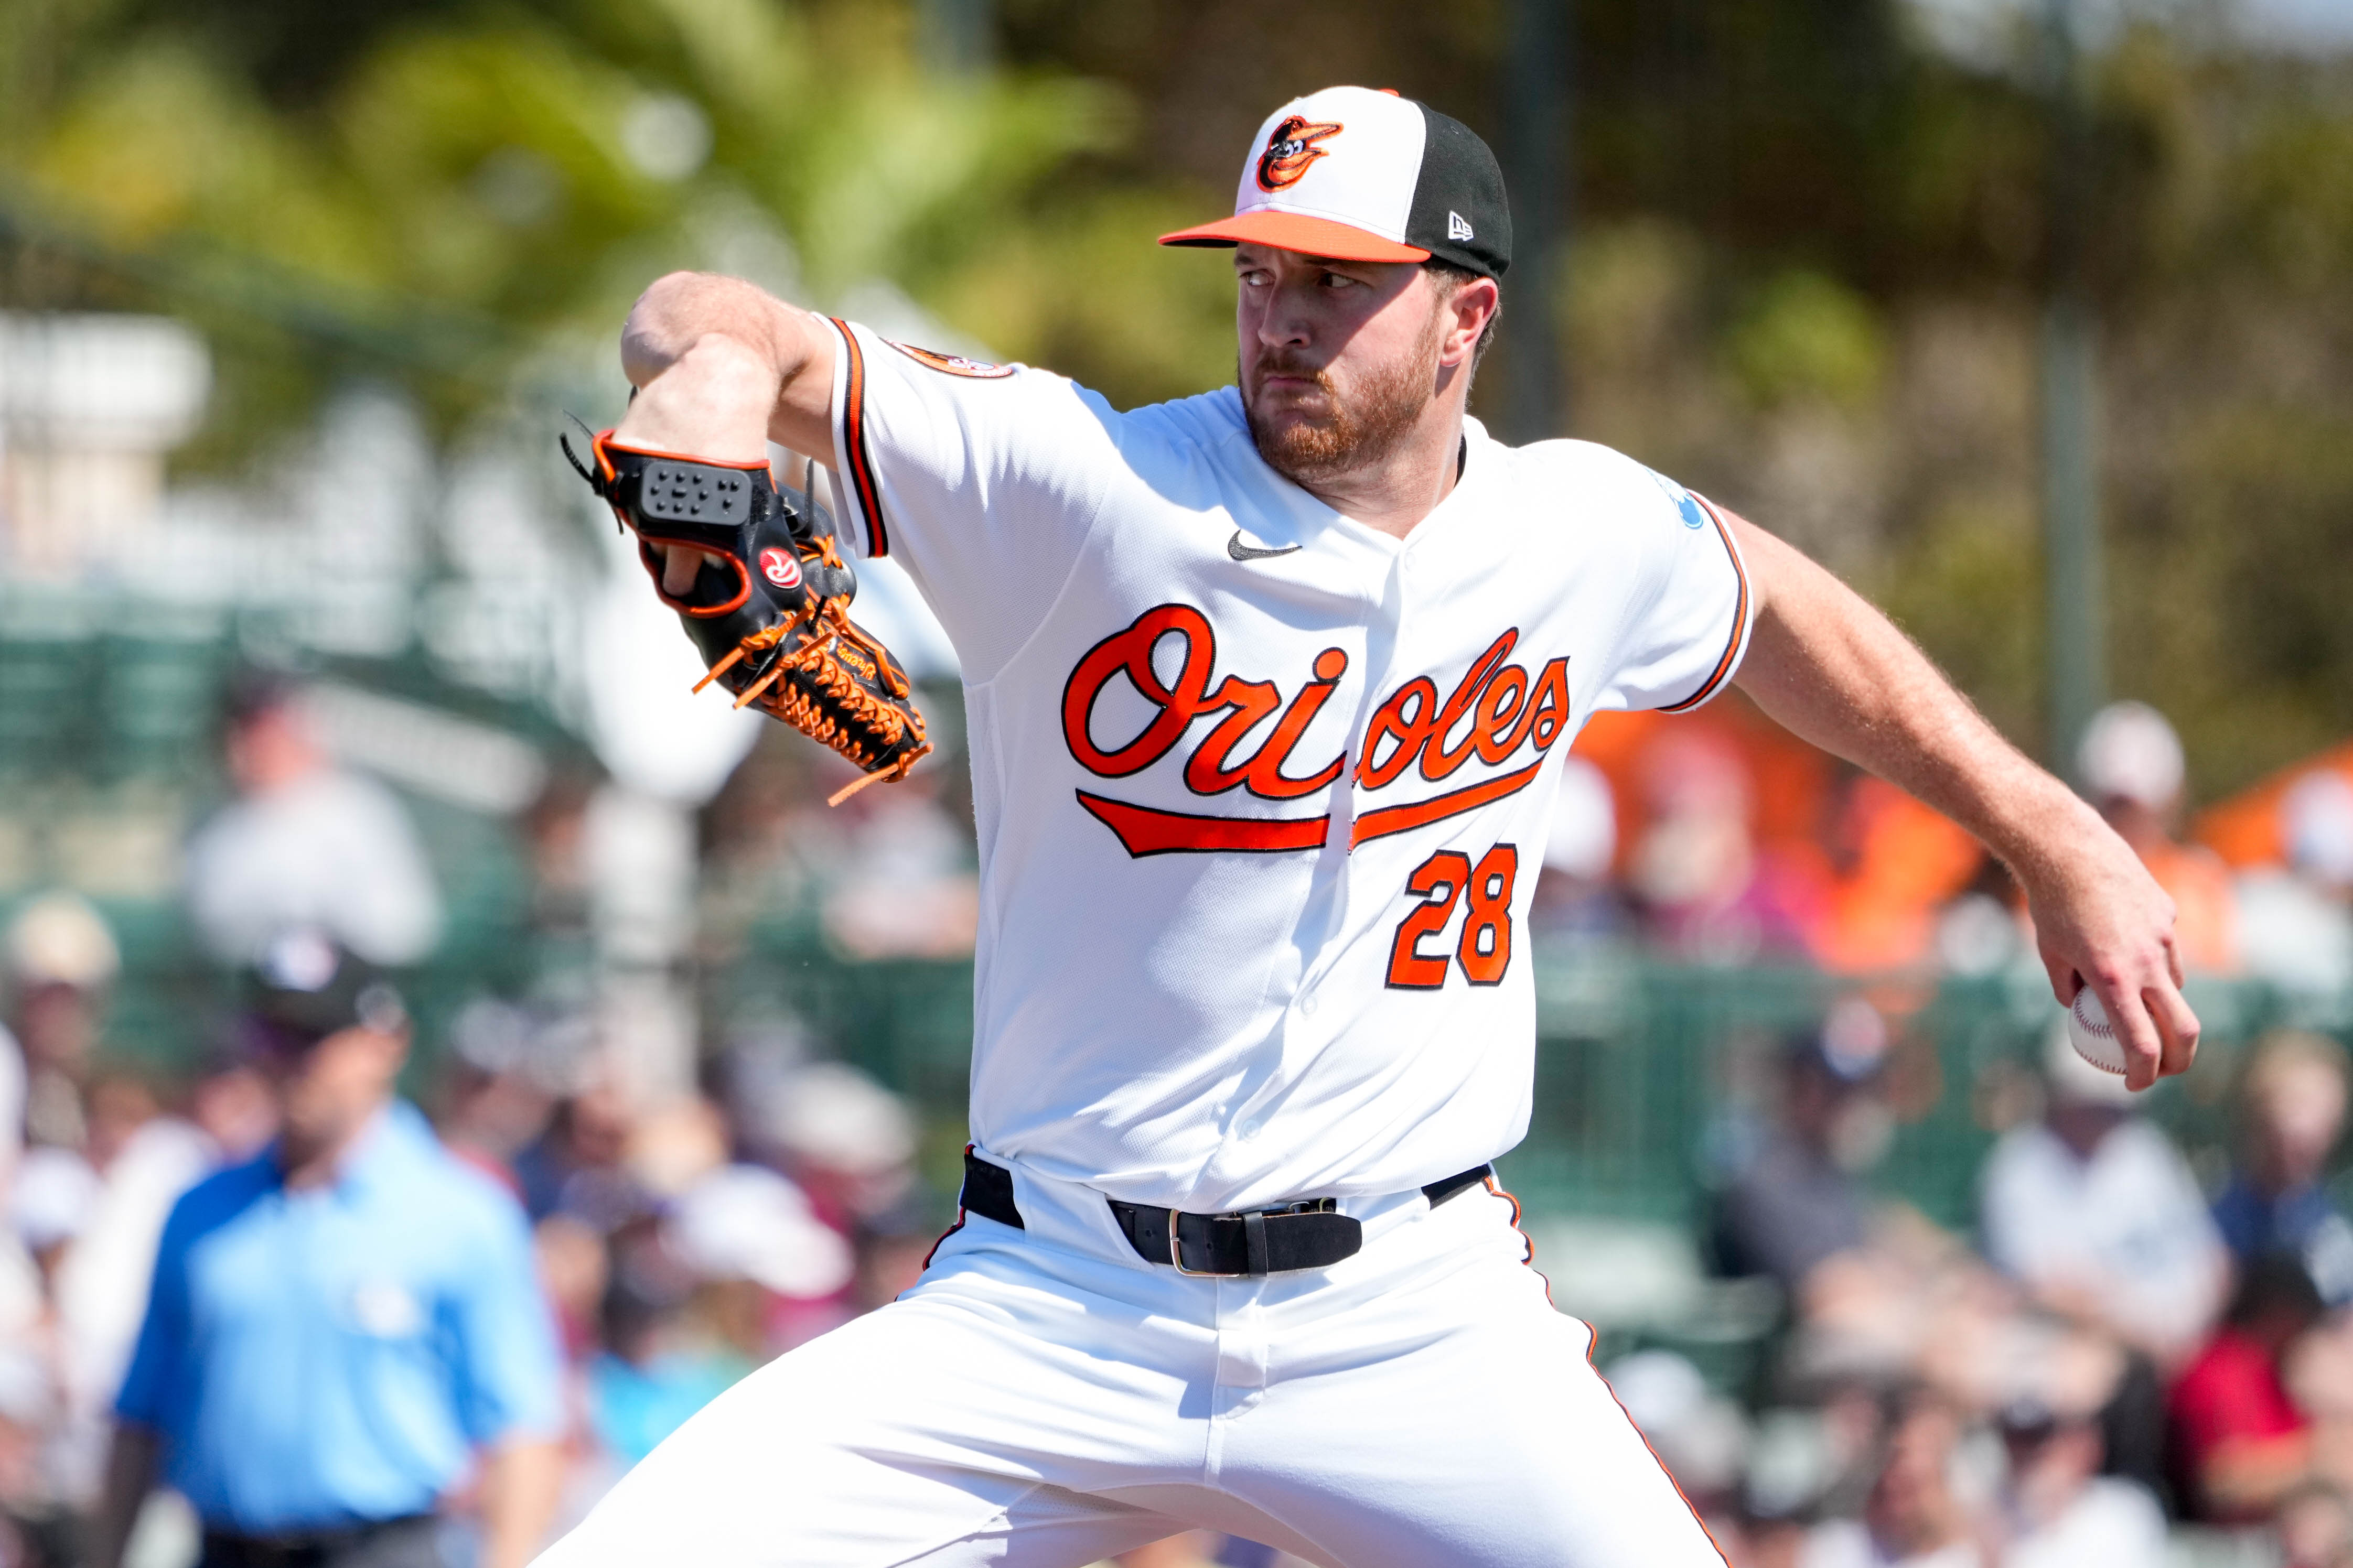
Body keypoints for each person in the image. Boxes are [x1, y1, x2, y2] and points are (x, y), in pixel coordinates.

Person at [539, 85, 2197, 1567]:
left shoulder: (1571, 531)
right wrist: (716, 375)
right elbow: (708, 311)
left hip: (1408, 1314)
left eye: (1335, 281)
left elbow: (1772, 608)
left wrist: (2049, 835)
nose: (1280, 317)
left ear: (1463, 311)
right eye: (1259, 273)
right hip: (1054, 1304)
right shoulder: (1082, 487)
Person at [89, 932, 564, 1568]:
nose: (292, 1061)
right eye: (276, 1036)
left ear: (385, 1043)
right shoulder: (201, 1212)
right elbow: (141, 1419)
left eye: (316, 1038)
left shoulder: (460, 1214)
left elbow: (521, 1430)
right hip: (226, 1547)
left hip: (381, 1548)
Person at [182, 674, 443, 967]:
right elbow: (212, 936)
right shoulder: (215, 828)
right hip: (258, 1000)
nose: (247, 747)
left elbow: (408, 928)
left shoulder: (360, 808)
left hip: (354, 994)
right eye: (242, 731)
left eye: (264, 730)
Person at [2212, 1031, 2353, 1304]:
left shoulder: (2332, 1231)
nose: (2303, 1130)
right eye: (2294, 1107)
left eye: (2321, 1115)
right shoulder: (2220, 1225)